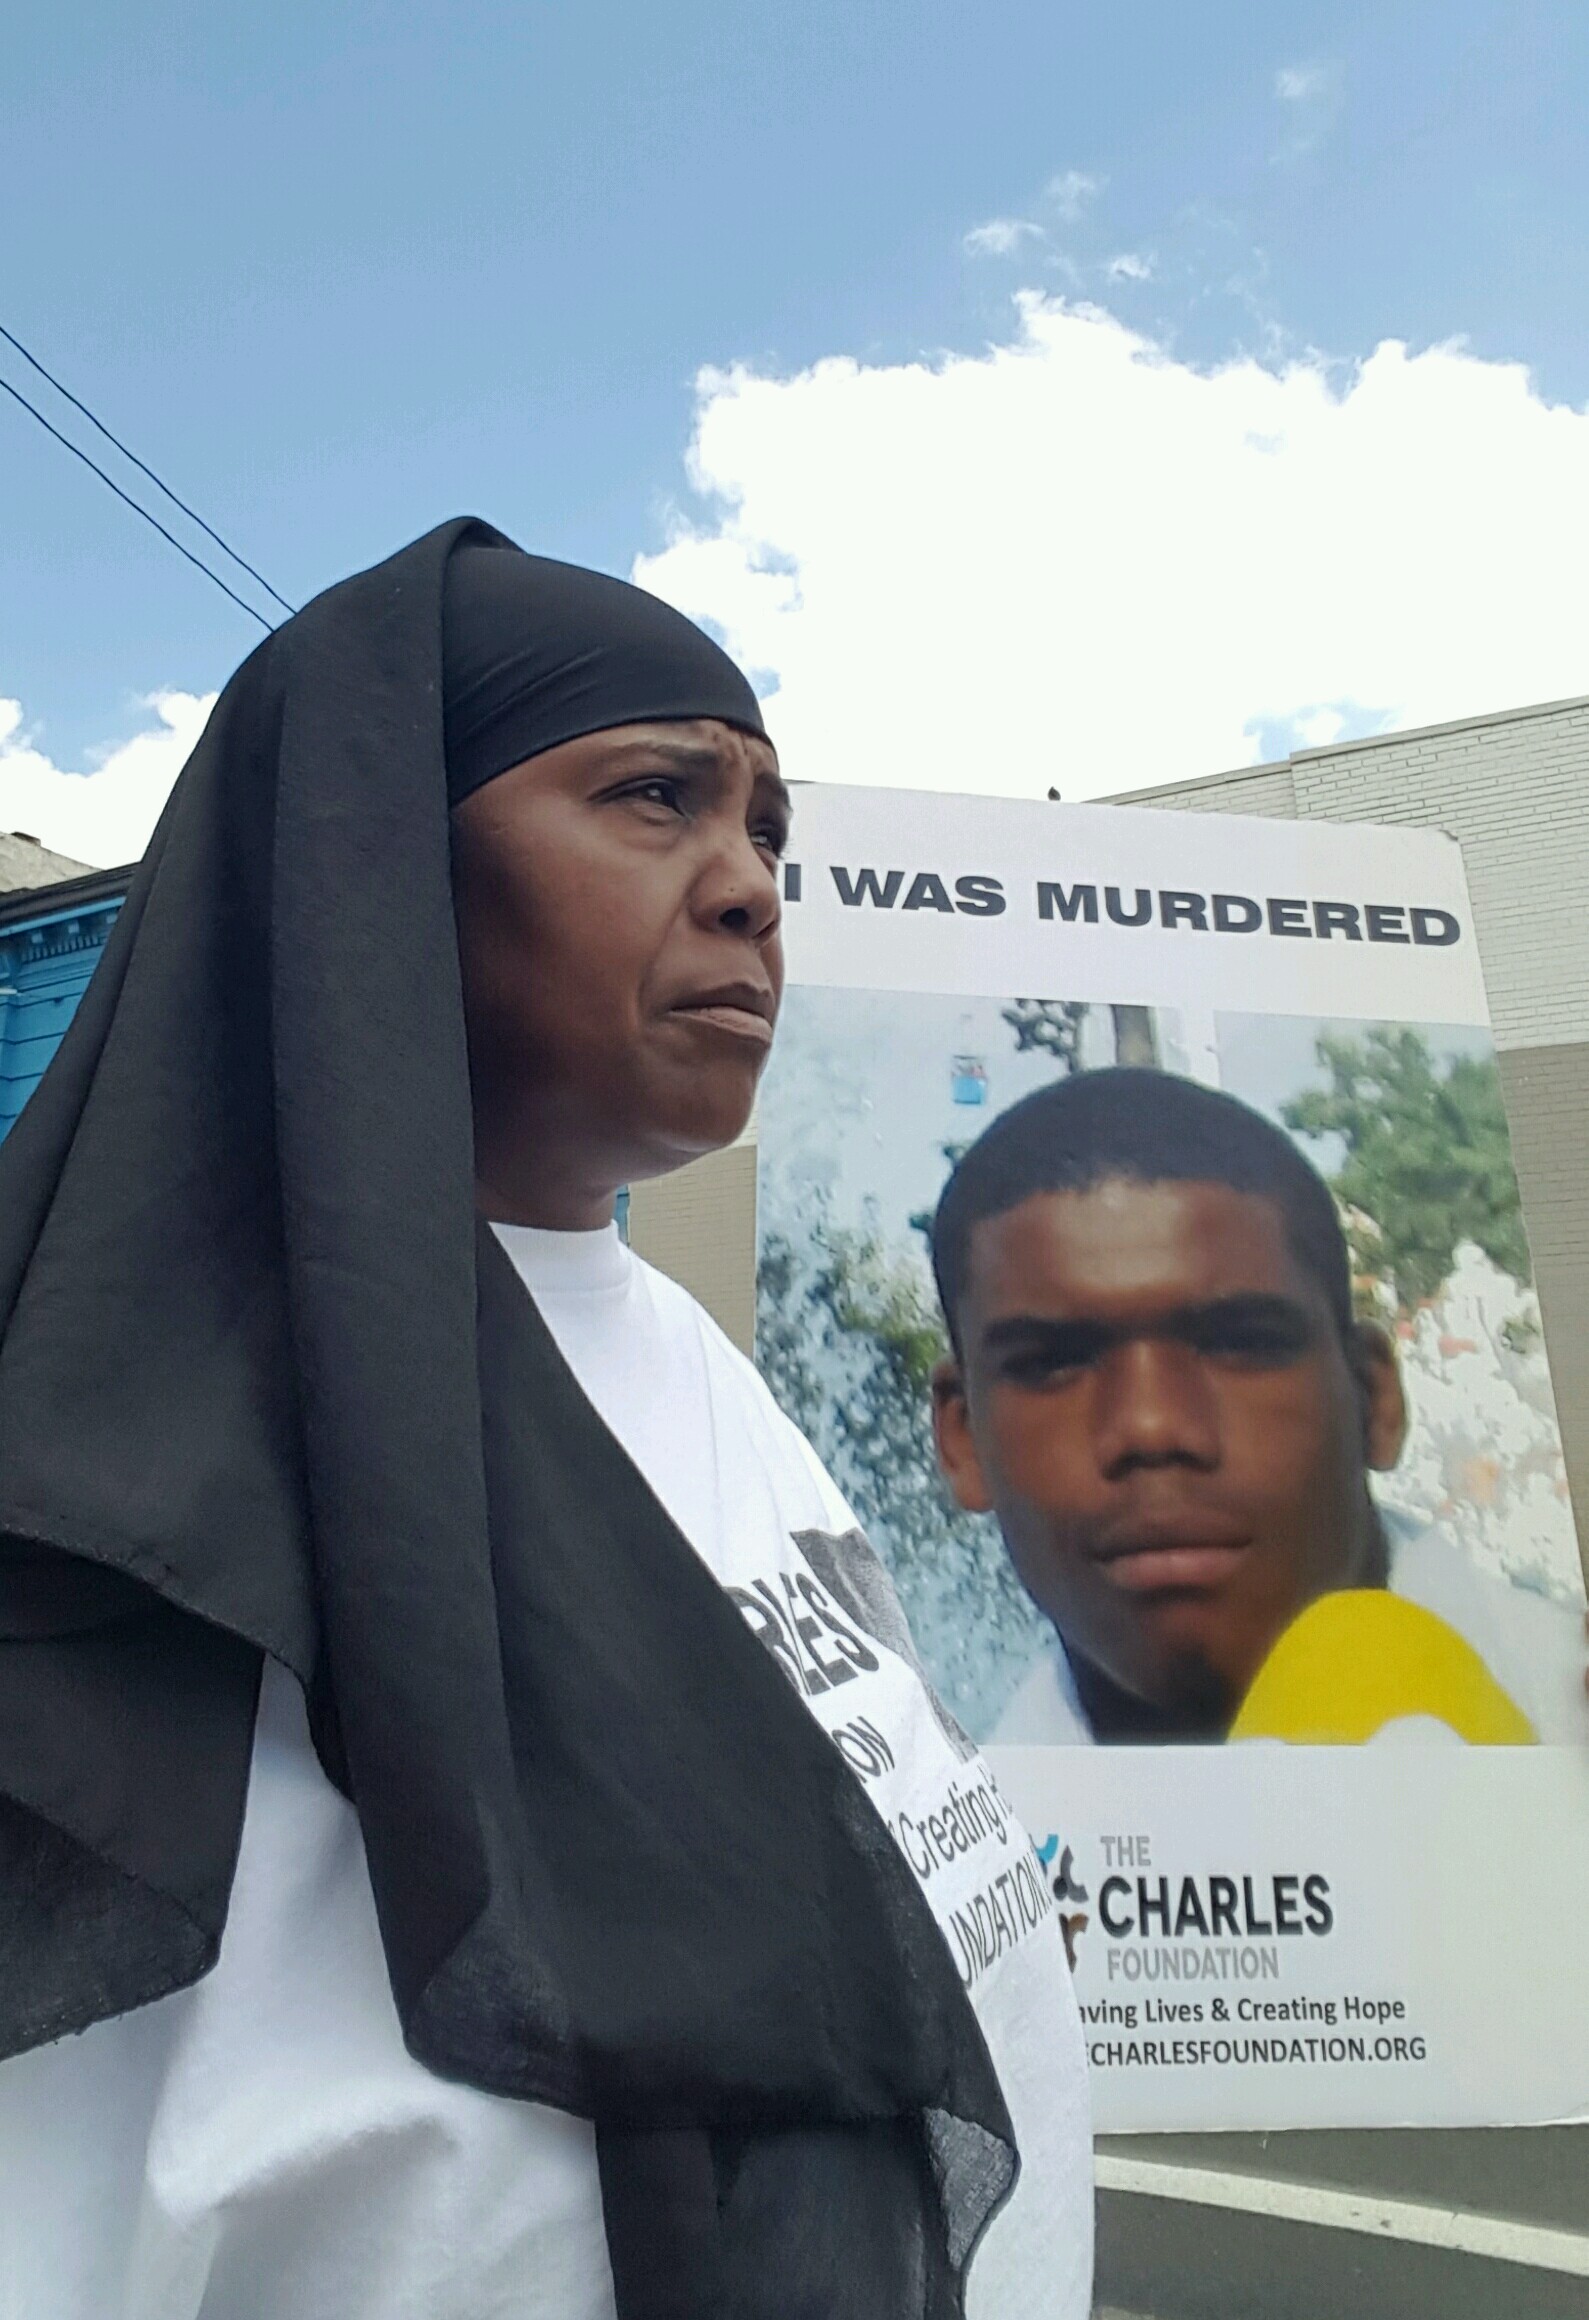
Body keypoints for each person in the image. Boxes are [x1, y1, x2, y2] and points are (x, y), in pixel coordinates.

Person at [0, 522, 1091, 2320]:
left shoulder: (697, 1368)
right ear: (367, 870)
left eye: (765, 829)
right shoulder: (93, 1506)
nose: (748, 885)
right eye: (654, 797)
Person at [928, 1067, 1588, 1748]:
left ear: (1373, 1400)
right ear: (962, 1440)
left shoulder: (1569, 1714)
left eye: (1237, 1343)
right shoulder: (916, 1842)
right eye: (1052, 1363)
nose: (1150, 1426)